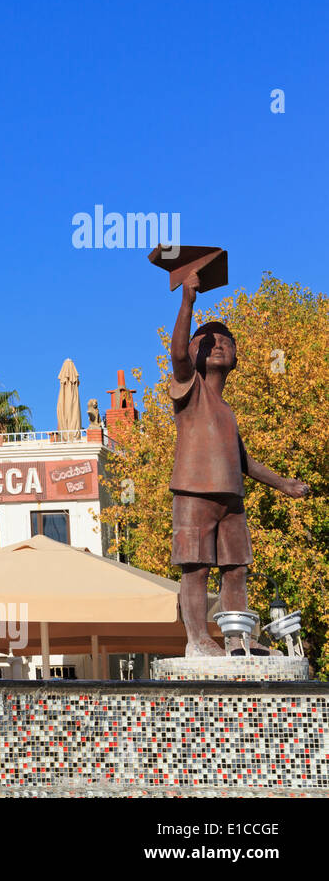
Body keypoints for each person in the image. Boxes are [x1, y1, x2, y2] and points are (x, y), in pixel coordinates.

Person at [168, 270, 307, 656]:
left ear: (235, 358)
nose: (217, 344)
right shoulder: (189, 389)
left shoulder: (227, 411)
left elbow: (244, 460)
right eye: (206, 340)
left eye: (225, 341)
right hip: (194, 493)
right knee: (195, 567)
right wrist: (187, 303)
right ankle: (197, 639)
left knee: (237, 569)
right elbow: (177, 353)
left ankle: (236, 639)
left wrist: (283, 483)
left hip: (232, 498)